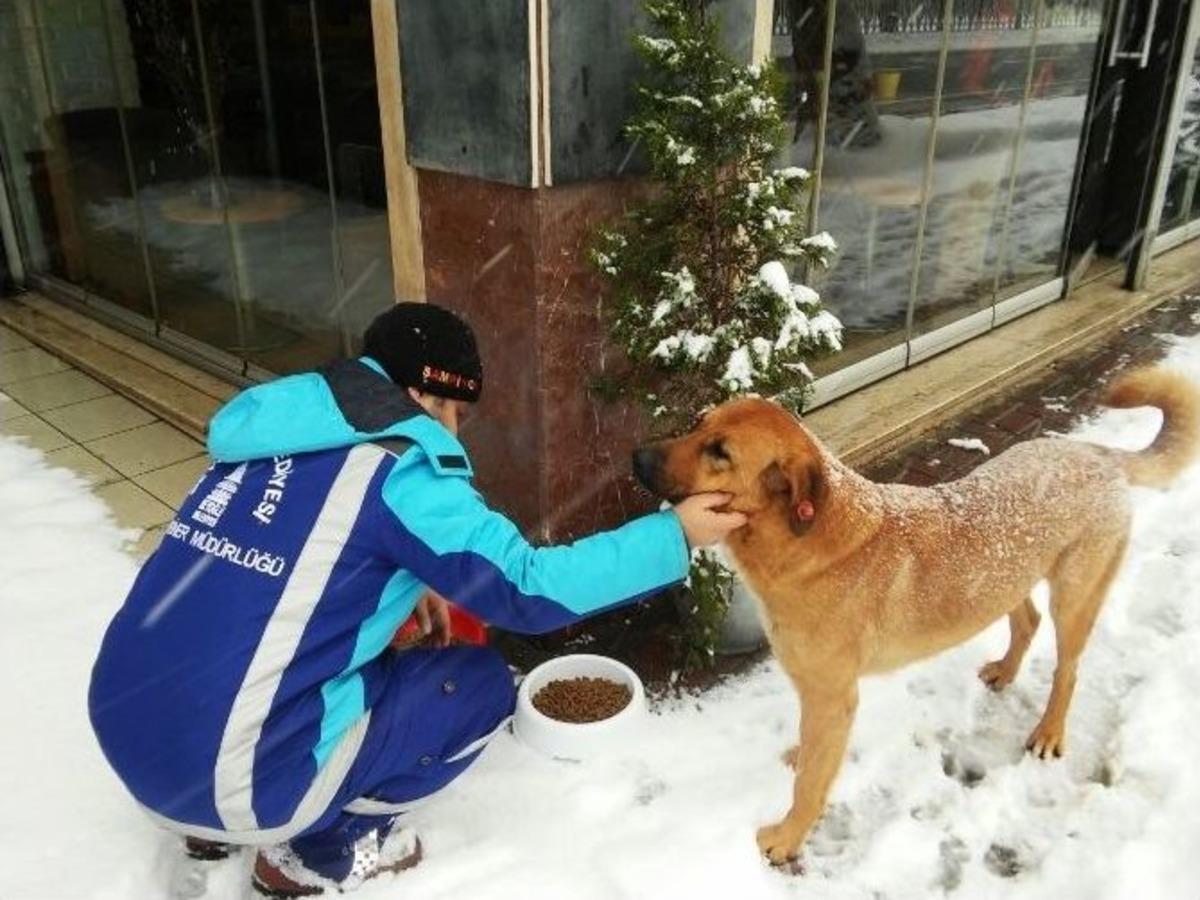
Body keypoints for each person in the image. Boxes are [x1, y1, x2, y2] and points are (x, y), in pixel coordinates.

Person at [88, 302, 745, 897]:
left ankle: (206, 826)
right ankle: (317, 854)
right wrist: (675, 533)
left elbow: (284, 570)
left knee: (279, 652)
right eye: (451, 414)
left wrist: (411, 577)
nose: (454, 436)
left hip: (131, 732)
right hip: (244, 780)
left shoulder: (273, 439)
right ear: (419, 393)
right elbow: (529, 590)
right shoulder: (400, 464)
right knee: (481, 684)